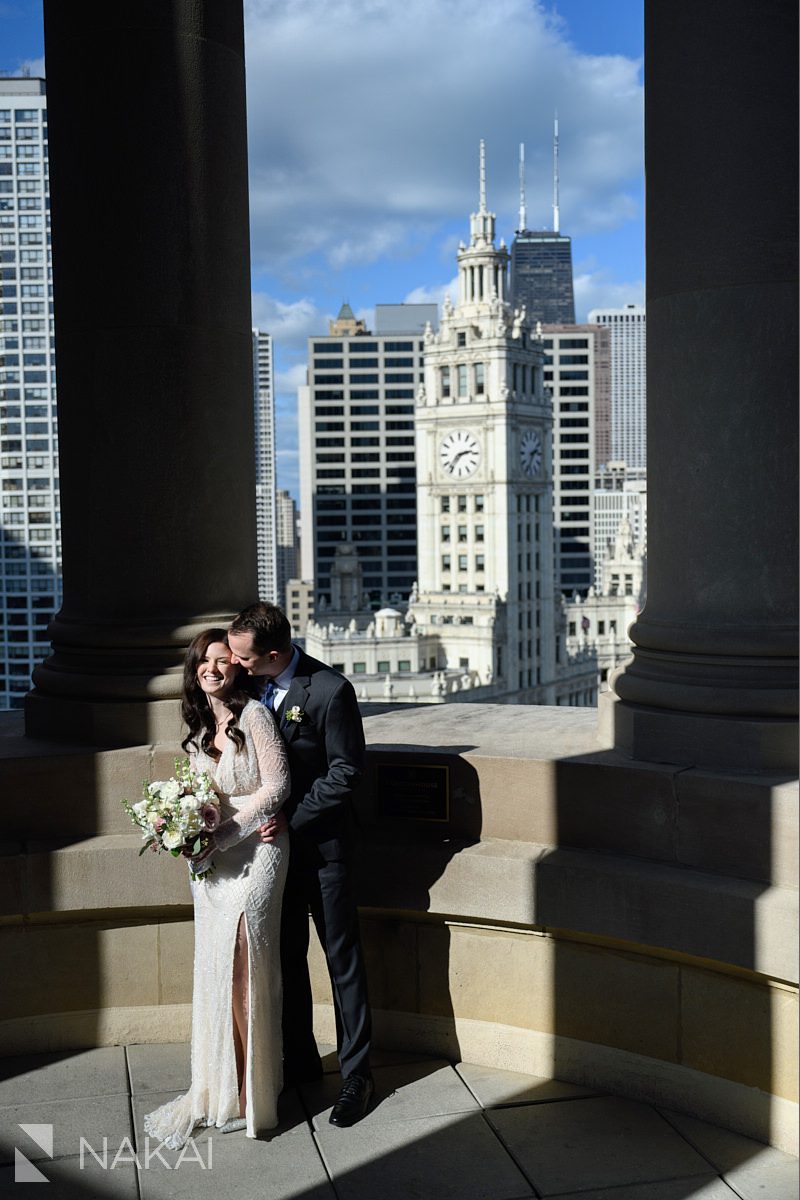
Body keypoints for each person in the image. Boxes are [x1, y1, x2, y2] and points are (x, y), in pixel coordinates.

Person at [228, 602, 373, 1127]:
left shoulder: (330, 691)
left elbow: (346, 773)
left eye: (243, 658)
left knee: (342, 962)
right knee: (285, 958)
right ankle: (301, 1062)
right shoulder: (245, 691)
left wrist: (292, 817)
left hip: (324, 851)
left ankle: (357, 1075)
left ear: (272, 654)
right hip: (271, 859)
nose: (235, 665)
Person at [143, 628, 289, 1147]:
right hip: (211, 861)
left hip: (258, 849)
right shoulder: (198, 723)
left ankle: (255, 1093)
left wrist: (230, 831)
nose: (213, 669)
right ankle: (219, 1087)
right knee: (216, 968)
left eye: (224, 661)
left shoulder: (255, 716)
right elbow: (195, 791)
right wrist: (181, 827)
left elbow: (277, 785)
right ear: (195, 669)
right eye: (205, 661)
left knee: (246, 961)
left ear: (238, 668)